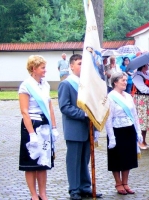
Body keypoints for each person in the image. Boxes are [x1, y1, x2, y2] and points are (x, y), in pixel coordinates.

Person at [58, 54, 102, 200]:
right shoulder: (66, 84)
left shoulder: (87, 85)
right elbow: (65, 106)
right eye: (79, 63)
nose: (82, 67)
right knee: (74, 160)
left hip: (87, 128)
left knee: (84, 160)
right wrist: (83, 114)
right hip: (74, 128)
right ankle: (74, 189)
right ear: (71, 66)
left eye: (84, 64)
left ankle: (85, 186)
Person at [19, 55, 59, 200]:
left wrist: (54, 127)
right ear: (34, 68)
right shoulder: (25, 85)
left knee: (43, 162)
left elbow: (50, 107)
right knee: (31, 163)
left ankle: (43, 193)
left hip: (45, 125)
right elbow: (24, 111)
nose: (45, 70)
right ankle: (34, 195)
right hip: (32, 125)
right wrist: (31, 134)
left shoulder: (46, 85)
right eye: (42, 68)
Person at [105, 72, 143, 195]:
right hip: (117, 130)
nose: (125, 83)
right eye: (123, 80)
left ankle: (125, 182)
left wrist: (138, 131)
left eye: (126, 80)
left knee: (128, 157)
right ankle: (118, 183)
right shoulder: (110, 97)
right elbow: (108, 118)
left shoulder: (128, 96)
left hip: (129, 129)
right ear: (115, 82)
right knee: (116, 158)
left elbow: (135, 115)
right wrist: (111, 137)